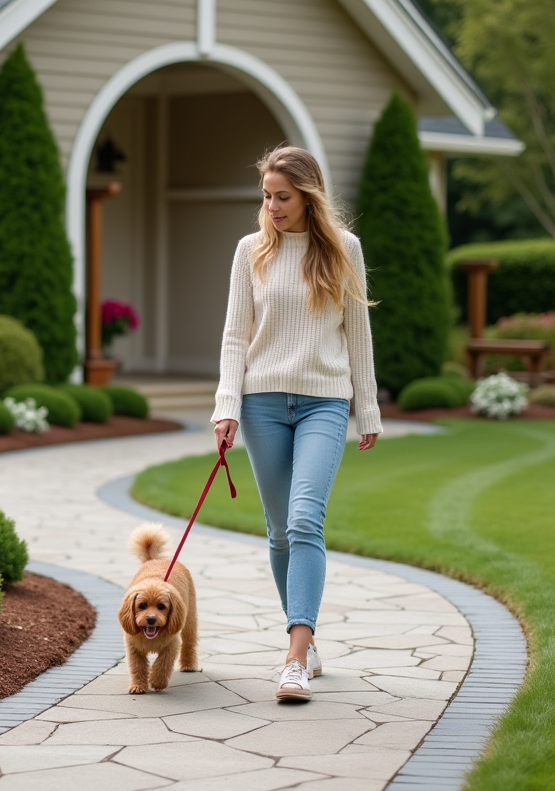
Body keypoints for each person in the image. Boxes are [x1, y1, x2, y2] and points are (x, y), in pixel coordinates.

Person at [211, 146, 382, 702]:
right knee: (280, 529)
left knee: (306, 518)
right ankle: (304, 635)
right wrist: (226, 404)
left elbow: (358, 333)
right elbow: (236, 333)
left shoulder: (343, 251)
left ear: (307, 196)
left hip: (323, 403)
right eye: (266, 195)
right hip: (261, 403)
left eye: (282, 196)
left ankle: (293, 659)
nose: (272, 206)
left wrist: (369, 407)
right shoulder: (250, 251)